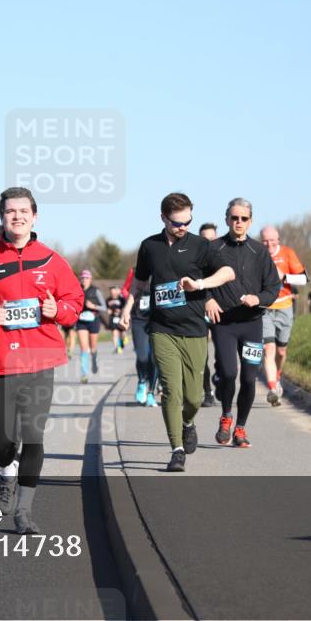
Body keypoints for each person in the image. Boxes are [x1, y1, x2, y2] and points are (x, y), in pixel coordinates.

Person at [0, 187, 83, 534]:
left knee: (34, 436)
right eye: (11, 211)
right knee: (2, 444)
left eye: (23, 210)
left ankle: (24, 511)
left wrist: (60, 310)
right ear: (2, 217)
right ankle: (6, 469)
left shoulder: (52, 260)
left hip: (41, 360)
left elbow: (75, 301)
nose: (17, 216)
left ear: (35, 216)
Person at [122, 193, 235, 472]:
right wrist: (127, 307)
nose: (183, 227)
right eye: (177, 223)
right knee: (171, 390)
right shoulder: (150, 246)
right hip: (162, 329)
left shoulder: (200, 245)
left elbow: (228, 273)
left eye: (188, 221)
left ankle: (188, 423)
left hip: (194, 328)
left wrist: (200, 284)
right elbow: (139, 282)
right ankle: (176, 449)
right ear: (163, 218)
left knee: (193, 397)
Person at [206, 199, 282, 449]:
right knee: (229, 373)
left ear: (251, 221)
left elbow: (273, 287)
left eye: (244, 219)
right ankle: (226, 416)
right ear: (227, 219)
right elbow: (197, 280)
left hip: (252, 323)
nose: (239, 223)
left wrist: (258, 298)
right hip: (224, 324)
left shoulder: (259, 252)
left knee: (249, 378)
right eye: (234, 218)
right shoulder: (213, 249)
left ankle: (240, 427)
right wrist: (208, 300)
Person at [259, 225, 307, 407]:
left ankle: (277, 375)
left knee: (281, 351)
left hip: (285, 307)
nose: (269, 244)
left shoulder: (287, 253)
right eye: (265, 241)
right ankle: (273, 389)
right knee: (268, 349)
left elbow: (303, 279)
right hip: (265, 309)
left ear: (277, 240)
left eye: (272, 240)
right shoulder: (257, 255)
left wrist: (284, 277)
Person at [120, 267, 158, 406]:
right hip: (138, 320)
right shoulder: (136, 271)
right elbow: (125, 291)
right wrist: (126, 310)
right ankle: (142, 381)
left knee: (154, 359)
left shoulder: (162, 268)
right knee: (142, 357)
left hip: (157, 320)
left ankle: (151, 393)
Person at [198, 222, 219, 407]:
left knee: (222, 355)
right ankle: (207, 392)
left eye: (212, 240)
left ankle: (220, 377)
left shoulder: (223, 259)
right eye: (205, 240)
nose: (209, 244)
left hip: (221, 312)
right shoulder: (194, 260)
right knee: (202, 356)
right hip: (201, 312)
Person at [75, 269, 105, 383]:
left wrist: (94, 306)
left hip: (93, 320)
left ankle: (94, 358)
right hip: (81, 321)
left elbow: (104, 307)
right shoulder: (76, 290)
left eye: (86, 278)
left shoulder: (96, 291)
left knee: (93, 347)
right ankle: (84, 374)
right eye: (82, 278)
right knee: (83, 347)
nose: (84, 280)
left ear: (90, 279)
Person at [106, 285, 127, 354]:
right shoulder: (108, 300)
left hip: (120, 318)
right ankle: (117, 348)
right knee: (114, 334)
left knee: (122, 334)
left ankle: (122, 343)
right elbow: (107, 309)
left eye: (114, 291)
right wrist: (109, 311)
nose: (113, 293)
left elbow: (125, 306)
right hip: (113, 318)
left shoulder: (121, 299)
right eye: (111, 292)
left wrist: (120, 311)